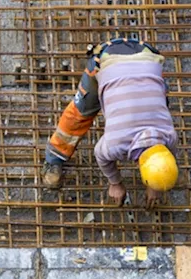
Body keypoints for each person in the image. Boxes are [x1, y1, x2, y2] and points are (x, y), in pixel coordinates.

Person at [40, 38, 178, 208]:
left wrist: (155, 185)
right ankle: (54, 158)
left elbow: (166, 156)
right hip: (106, 60)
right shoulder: (117, 143)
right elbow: (101, 155)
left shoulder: (170, 136)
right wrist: (115, 183)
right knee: (80, 113)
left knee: (161, 98)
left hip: (148, 56)